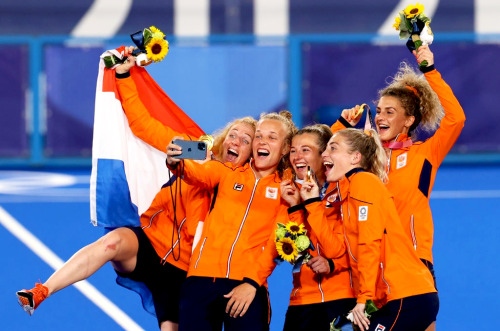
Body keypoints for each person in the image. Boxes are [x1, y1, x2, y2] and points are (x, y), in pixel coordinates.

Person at [16, 47, 257, 331]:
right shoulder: (198, 150)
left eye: (246, 140)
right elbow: (144, 126)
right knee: (111, 243)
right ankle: (42, 291)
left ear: (252, 152)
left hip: (190, 272)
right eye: (234, 134)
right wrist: (124, 75)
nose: (237, 141)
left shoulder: (249, 183)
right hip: (152, 244)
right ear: (223, 137)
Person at [332, 45, 465, 292]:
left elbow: (456, 118)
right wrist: (340, 126)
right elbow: (323, 159)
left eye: (390, 112)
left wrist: (430, 71)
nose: (380, 117)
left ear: (409, 120)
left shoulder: (425, 153)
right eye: (379, 111)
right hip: (370, 264)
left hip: (414, 260)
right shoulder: (360, 158)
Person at [166, 110, 297, 331]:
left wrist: (252, 283)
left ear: (285, 149)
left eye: (272, 137)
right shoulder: (227, 171)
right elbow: (198, 173)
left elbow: (278, 243)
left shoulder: (287, 188)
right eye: (259, 136)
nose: (263, 141)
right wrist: (176, 162)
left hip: (246, 286)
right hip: (200, 280)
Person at [301, 128, 438, 331]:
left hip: (404, 296)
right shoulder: (348, 194)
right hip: (398, 298)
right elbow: (335, 250)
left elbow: (369, 242)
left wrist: (363, 298)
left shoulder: (363, 183)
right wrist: (312, 203)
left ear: (355, 157)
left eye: (333, 148)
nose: (324, 154)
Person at [243, 124, 356, 331]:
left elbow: (348, 248)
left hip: (342, 299)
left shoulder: (345, 191)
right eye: (293, 150)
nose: (297, 156)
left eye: (305, 150)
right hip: (301, 302)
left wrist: (333, 264)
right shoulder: (290, 196)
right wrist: (296, 206)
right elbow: (291, 252)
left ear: (325, 156)